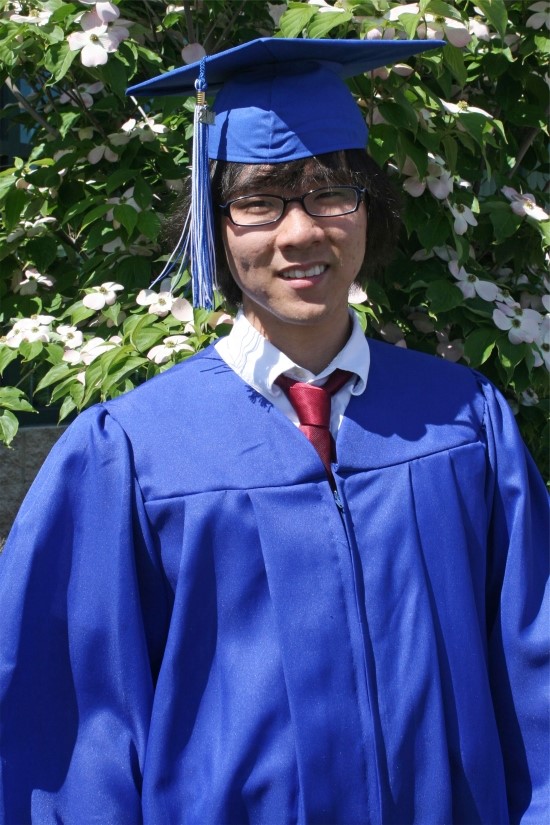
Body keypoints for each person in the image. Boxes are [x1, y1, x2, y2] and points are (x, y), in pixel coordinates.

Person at [0, 37, 548, 825]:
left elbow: (536, 682)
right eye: (259, 200)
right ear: (214, 224)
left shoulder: (465, 423)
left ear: (370, 205)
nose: (299, 232)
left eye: (331, 191)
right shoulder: (129, 452)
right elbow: (72, 736)